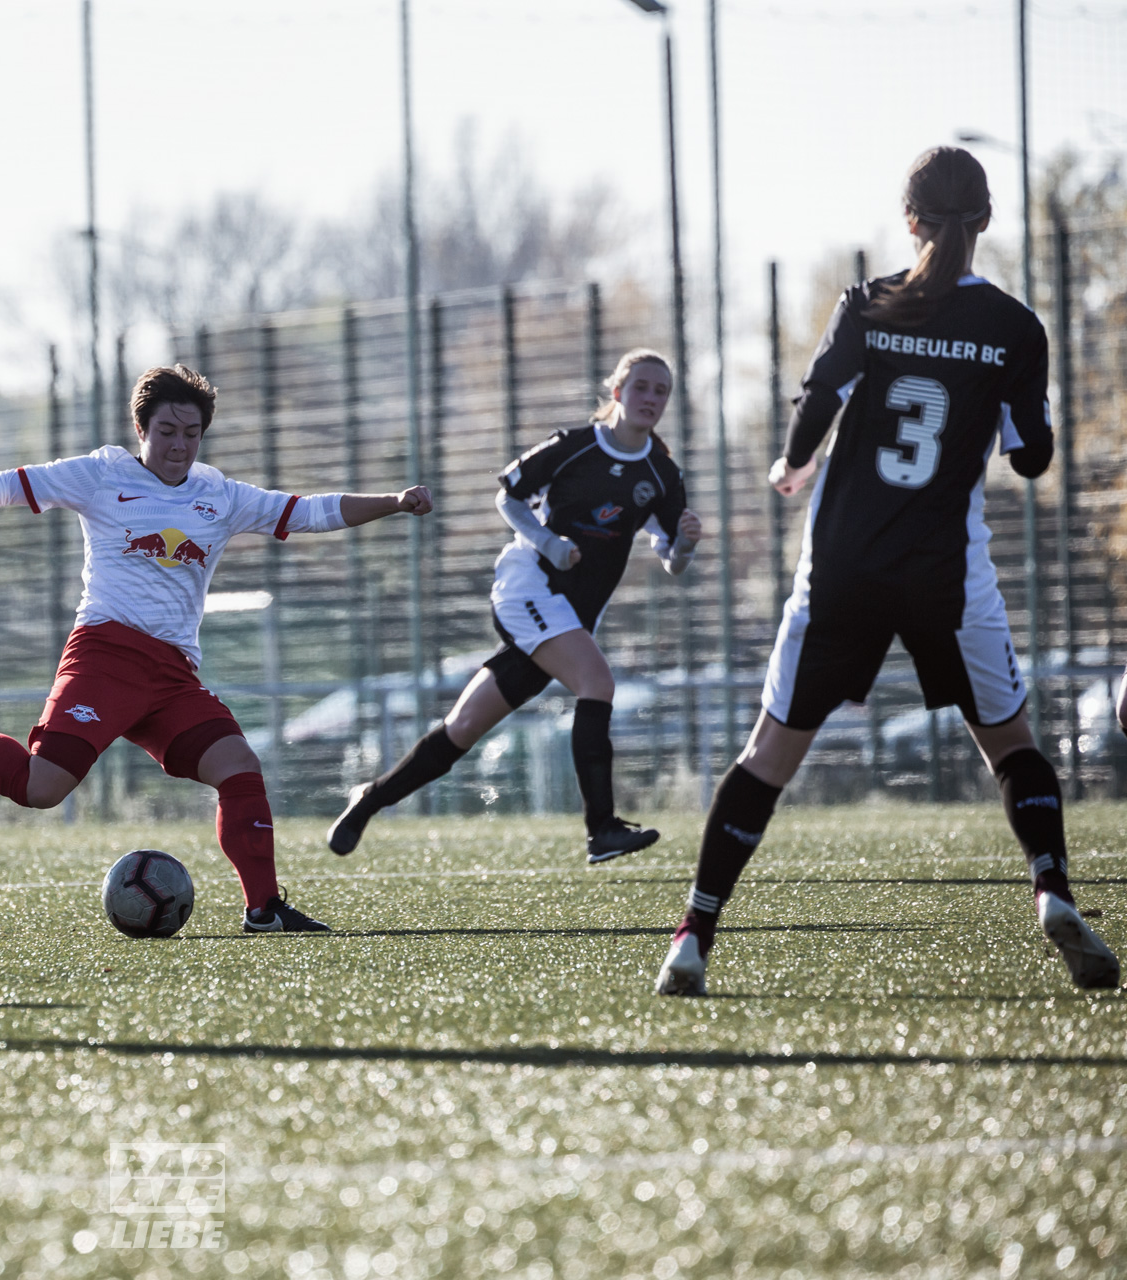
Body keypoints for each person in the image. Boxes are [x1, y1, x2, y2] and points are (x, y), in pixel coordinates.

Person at [655, 146, 1118, 997]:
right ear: (985, 220)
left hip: (842, 566)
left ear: (910, 219)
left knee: (767, 757)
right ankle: (1052, 887)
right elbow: (1035, 459)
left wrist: (790, 467)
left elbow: (818, 406)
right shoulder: (1016, 329)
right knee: (1011, 743)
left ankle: (693, 936)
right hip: (946, 569)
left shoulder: (868, 306)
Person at [0, 362, 433, 933]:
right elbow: (3, 487)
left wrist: (394, 500)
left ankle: (264, 910)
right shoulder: (101, 474)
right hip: (105, 657)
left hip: (173, 676)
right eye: (167, 431)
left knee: (238, 767)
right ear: (142, 430)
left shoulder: (221, 495)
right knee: (41, 789)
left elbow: (309, 512)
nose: (179, 445)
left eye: (191, 434)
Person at [327, 349, 702, 863]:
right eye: (642, 386)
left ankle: (369, 800)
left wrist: (683, 544)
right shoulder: (573, 446)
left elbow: (671, 559)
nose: (651, 398)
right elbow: (507, 496)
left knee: (463, 728)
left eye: (662, 391)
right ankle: (602, 829)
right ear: (617, 391)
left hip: (566, 617)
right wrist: (548, 544)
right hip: (528, 588)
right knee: (597, 683)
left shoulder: (662, 474)